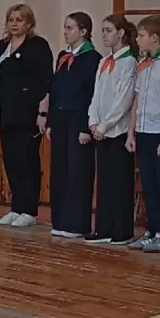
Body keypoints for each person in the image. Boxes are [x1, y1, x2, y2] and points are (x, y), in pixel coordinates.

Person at [0, 3, 53, 229]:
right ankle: (17, 207)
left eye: (19, 20)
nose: (14, 24)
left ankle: (30, 210)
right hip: (5, 112)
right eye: (11, 20)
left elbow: (45, 80)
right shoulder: (2, 45)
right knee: (11, 161)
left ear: (29, 23)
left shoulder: (38, 46)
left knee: (27, 161)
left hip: (27, 113)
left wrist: (43, 112)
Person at [127, 14, 160, 252]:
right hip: (143, 130)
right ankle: (151, 229)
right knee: (148, 184)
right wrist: (131, 132)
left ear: (155, 37)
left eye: (141, 35)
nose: (137, 40)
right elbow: (137, 100)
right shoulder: (144, 64)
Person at [85, 15, 137, 246]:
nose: (104, 35)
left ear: (121, 33)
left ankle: (121, 230)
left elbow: (124, 100)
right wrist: (93, 121)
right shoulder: (104, 61)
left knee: (119, 182)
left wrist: (105, 125)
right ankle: (103, 227)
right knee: (104, 182)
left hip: (117, 131)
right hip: (101, 130)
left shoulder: (129, 62)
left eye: (108, 30)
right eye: (103, 30)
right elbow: (96, 94)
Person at [47, 12, 99, 240]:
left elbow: (89, 94)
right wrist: (50, 121)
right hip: (60, 119)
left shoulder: (92, 58)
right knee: (59, 169)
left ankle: (77, 223)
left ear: (83, 31)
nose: (65, 32)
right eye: (65, 27)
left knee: (77, 172)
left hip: (78, 120)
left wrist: (85, 126)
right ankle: (59, 220)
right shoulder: (63, 56)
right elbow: (56, 89)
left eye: (70, 28)